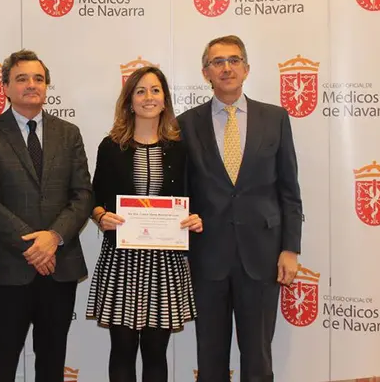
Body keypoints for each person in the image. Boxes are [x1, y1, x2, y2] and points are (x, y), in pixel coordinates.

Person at [177, 35, 303, 382]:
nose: (227, 67)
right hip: (207, 258)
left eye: (234, 60)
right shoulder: (186, 124)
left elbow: (289, 190)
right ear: (206, 72)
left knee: (258, 356)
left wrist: (290, 248)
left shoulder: (275, 118)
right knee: (210, 354)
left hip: (262, 256)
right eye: (218, 62)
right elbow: (181, 192)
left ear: (246, 69)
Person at [0, 49, 93, 382]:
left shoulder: (70, 134)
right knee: (2, 366)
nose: (31, 85)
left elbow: (82, 195)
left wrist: (52, 239)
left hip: (59, 268)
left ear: (47, 86)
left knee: (51, 367)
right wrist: (33, 246)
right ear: (5, 87)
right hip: (7, 271)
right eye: (21, 78)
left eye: (38, 78)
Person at [86, 66, 203, 382]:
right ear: (129, 101)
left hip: (166, 263)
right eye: (140, 91)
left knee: (155, 353)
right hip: (122, 261)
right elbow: (94, 196)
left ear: (165, 100)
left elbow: (195, 198)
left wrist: (194, 217)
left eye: (155, 90)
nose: (148, 97)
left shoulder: (182, 148)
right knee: (122, 351)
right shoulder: (110, 146)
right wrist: (100, 215)